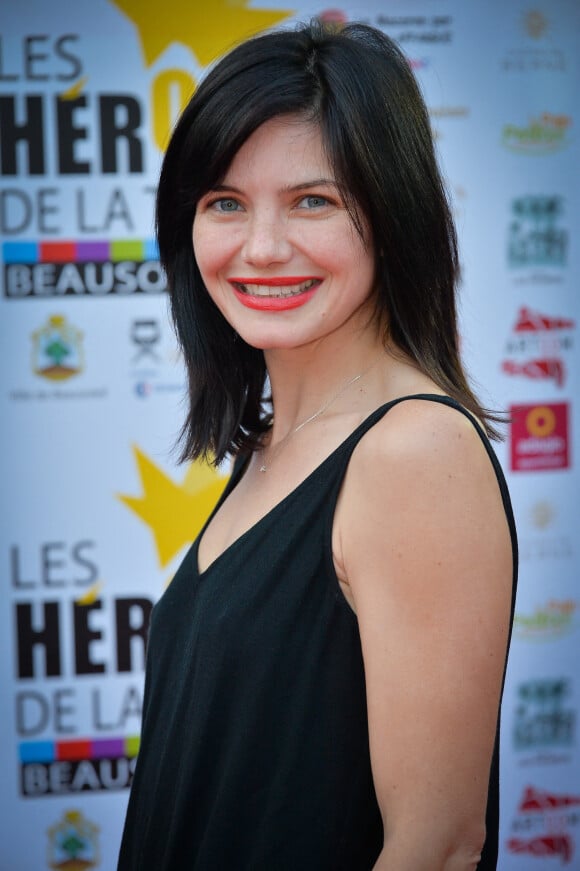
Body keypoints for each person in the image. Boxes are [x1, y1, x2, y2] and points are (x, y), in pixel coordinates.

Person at [118, 20, 517, 871]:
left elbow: (438, 846)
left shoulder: (414, 453)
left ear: (391, 213)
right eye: (225, 202)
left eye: (314, 200)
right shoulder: (269, 443)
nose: (261, 247)